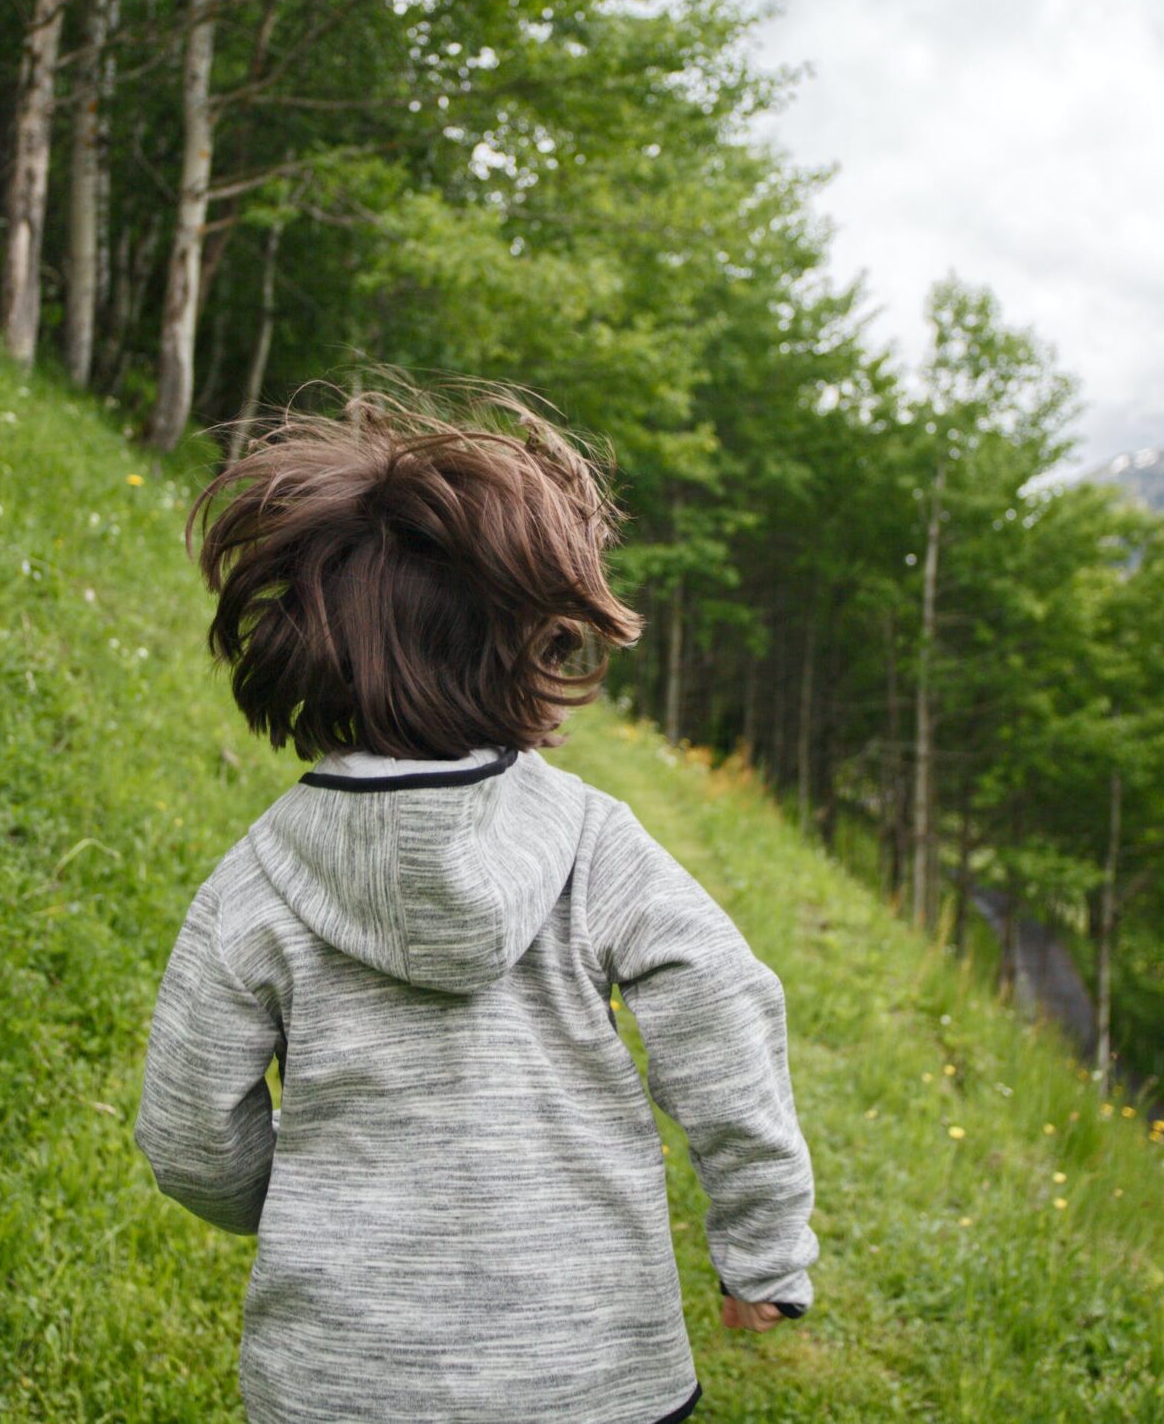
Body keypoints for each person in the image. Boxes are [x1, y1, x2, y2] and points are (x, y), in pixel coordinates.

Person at [133, 384, 818, 1424]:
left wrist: (307, 1209)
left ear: (306, 644)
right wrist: (763, 1247)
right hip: (595, 1376)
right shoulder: (591, 842)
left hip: (341, 1383)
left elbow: (188, 1133)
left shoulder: (258, 879)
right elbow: (720, 1003)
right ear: (531, 646)